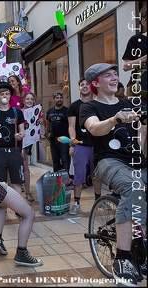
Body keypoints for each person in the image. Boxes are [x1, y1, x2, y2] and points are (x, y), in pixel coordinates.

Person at [79, 63, 147, 286]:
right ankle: (123, 259)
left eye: (115, 74)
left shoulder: (129, 103)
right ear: (95, 84)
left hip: (135, 159)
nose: (114, 77)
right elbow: (95, 129)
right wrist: (115, 119)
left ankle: (140, 244)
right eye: (107, 75)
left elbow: (141, 130)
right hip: (108, 161)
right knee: (133, 187)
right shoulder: (89, 108)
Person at [0, 81, 26, 224]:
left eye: (7, 93)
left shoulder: (17, 112)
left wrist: (20, 136)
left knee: (16, 183)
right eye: (2, 93)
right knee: (1, 184)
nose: (5, 95)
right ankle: (2, 211)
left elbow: (22, 131)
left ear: (10, 95)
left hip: (14, 151)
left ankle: (19, 209)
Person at [67, 78, 103, 215]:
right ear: (79, 88)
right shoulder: (74, 106)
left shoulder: (98, 104)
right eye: (81, 84)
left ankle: (98, 200)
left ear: (92, 86)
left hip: (97, 145)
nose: (84, 86)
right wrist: (72, 140)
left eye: (87, 84)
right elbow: (71, 126)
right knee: (78, 176)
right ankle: (76, 203)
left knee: (97, 175)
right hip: (81, 145)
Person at [122, 6, 147, 157]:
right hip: (138, 88)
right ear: (143, 21)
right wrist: (144, 58)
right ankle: (139, 160)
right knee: (143, 128)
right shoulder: (136, 39)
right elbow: (125, 66)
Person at [21, 92, 41, 202]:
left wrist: (40, 121)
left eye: (31, 99)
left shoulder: (36, 112)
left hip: (28, 142)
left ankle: (28, 192)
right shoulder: (19, 112)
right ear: (23, 100)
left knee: (25, 166)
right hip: (19, 141)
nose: (29, 101)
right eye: (27, 99)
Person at [45, 92, 71, 173]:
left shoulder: (67, 110)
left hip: (64, 139)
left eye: (60, 97)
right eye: (57, 98)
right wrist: (47, 135)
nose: (59, 99)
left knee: (65, 159)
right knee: (55, 161)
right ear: (53, 99)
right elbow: (47, 124)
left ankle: (66, 179)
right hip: (53, 139)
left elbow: (71, 125)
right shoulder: (50, 112)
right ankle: (57, 180)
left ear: (63, 99)